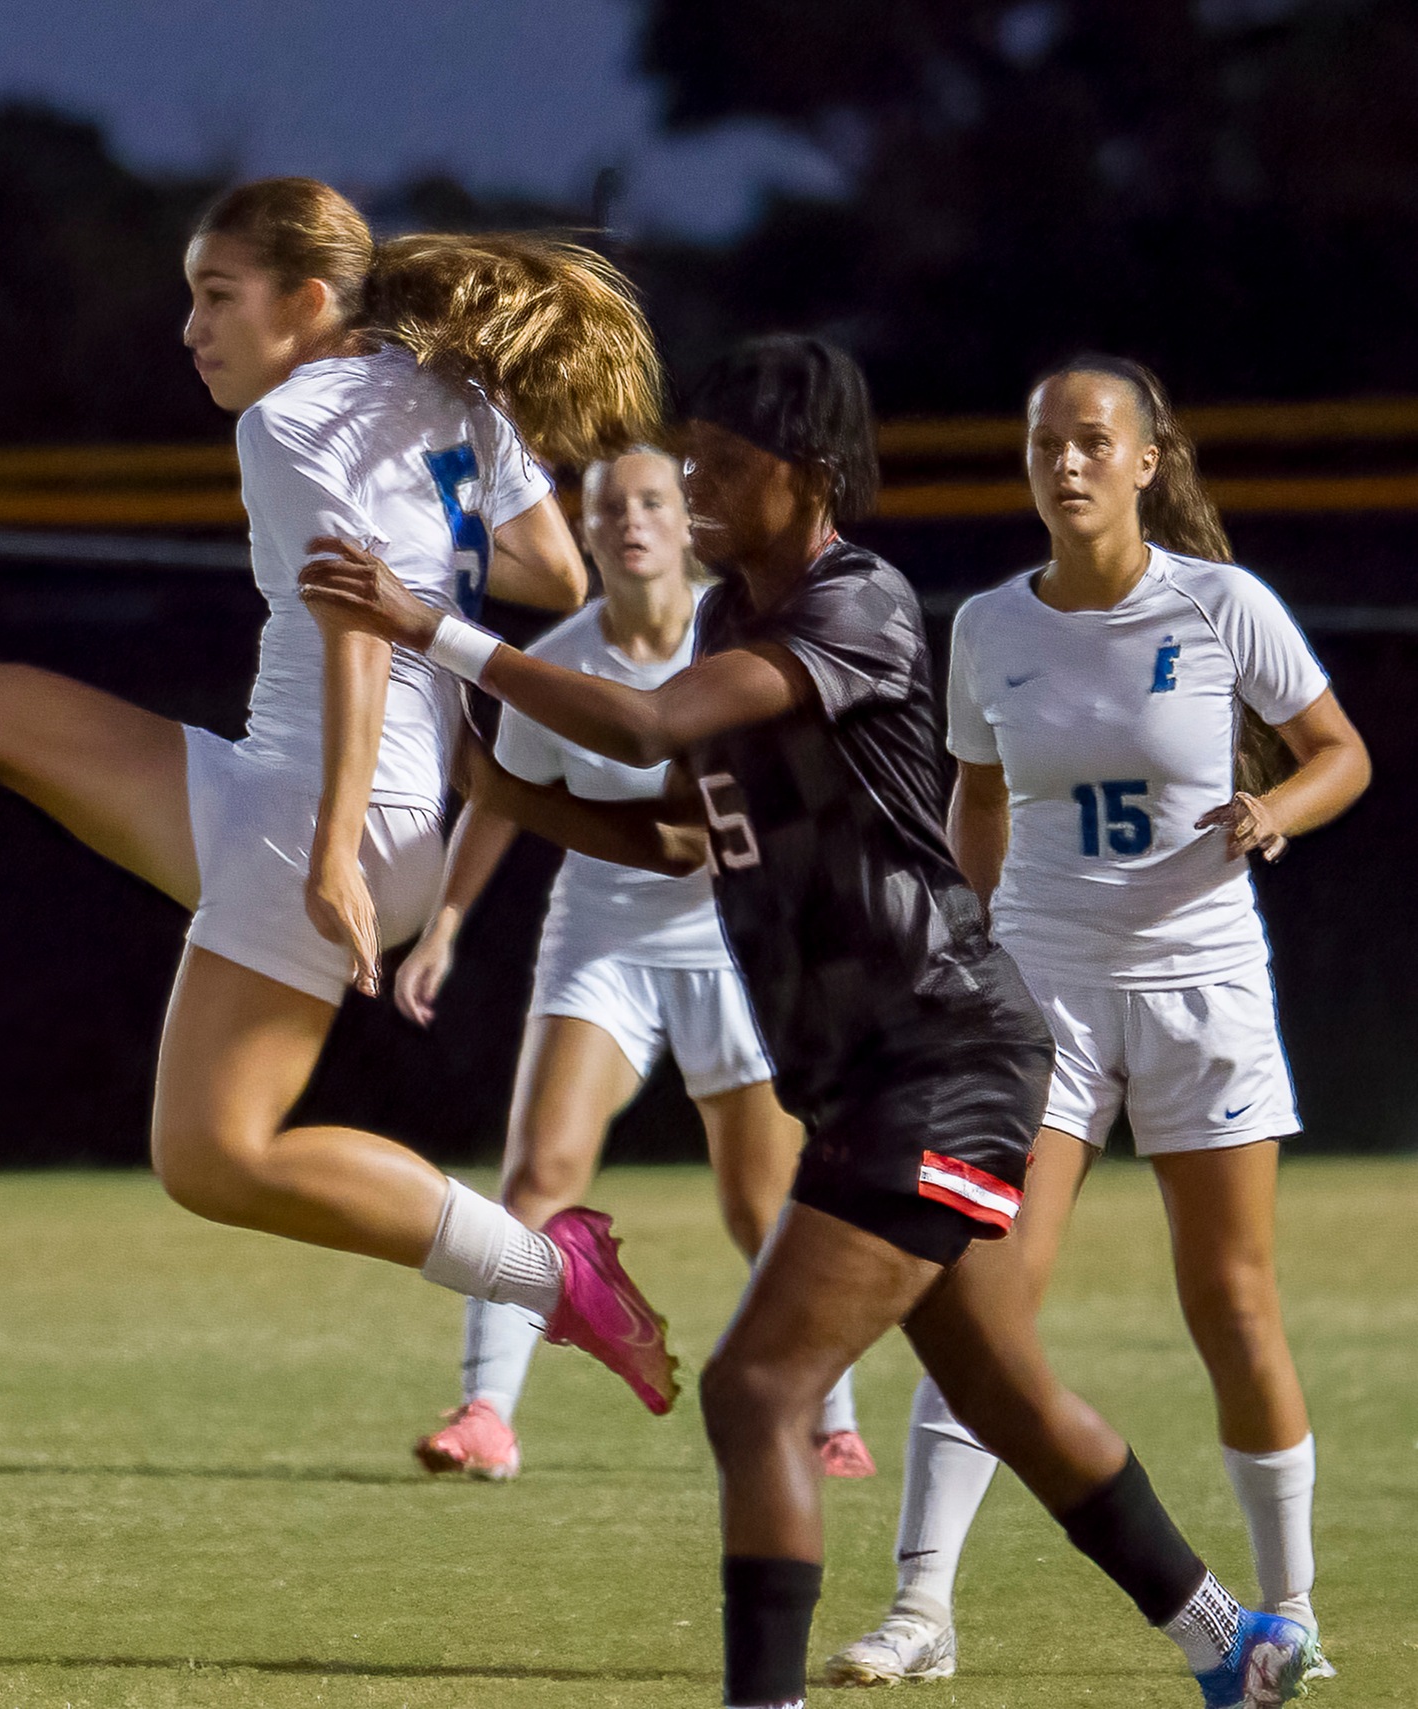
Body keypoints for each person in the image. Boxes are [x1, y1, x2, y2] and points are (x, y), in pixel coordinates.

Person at [300, 333, 1321, 1709]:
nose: (696, 483)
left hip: (941, 1062)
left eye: (729, 465)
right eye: (694, 455)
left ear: (815, 478)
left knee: (755, 1388)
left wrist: (432, 629)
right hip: (866, 1077)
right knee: (1006, 1394)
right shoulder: (734, 623)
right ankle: (1234, 1644)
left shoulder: (860, 604)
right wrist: (492, 784)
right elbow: (681, 831)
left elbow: (653, 726)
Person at [0, 177, 682, 1414]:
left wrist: (324, 852)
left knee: (214, 1156)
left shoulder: (289, 422)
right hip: (322, 798)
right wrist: (440, 566)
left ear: (308, 301)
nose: (190, 328)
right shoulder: (449, 393)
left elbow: (358, 634)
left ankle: (548, 1270)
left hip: (325, 814)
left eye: (218, 296)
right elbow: (548, 566)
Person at [823, 354, 1370, 1689]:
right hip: (1047, 995)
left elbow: (1338, 754)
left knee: (1232, 1302)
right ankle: (923, 1611)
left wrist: (1270, 813)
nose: (1064, 465)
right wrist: (960, 946)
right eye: (1043, 444)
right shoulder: (993, 626)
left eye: (1090, 443)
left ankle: (1287, 1614)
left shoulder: (1224, 605)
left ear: (1143, 461)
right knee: (980, 1294)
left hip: (1204, 990)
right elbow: (982, 800)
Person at [398, 445, 869, 1482]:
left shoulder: (746, 643)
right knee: (538, 1173)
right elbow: (499, 792)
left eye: (654, 499)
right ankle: (486, 1409)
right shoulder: (555, 665)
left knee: (760, 1205)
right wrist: (442, 926)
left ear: (689, 517)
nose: (631, 521)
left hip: (738, 941)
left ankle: (829, 1416)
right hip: (602, 937)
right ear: (586, 527)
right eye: (608, 506)